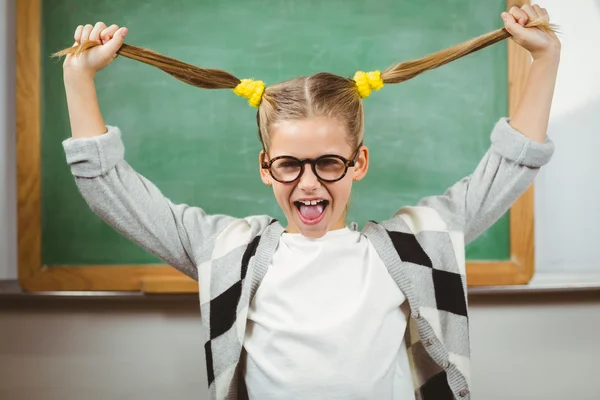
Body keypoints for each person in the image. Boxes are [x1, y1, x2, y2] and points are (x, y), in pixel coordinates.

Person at [56, 4, 559, 399]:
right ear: (264, 166)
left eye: (329, 163)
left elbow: (509, 168)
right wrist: (78, 77)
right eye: (289, 164)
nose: (310, 184)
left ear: (358, 162)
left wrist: (545, 58)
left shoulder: (412, 248)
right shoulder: (232, 253)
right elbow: (112, 191)